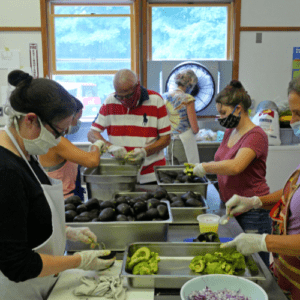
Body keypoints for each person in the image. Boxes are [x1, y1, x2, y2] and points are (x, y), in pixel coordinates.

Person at [0, 70, 115, 300]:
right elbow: (16, 264)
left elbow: (25, 221)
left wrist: (66, 231)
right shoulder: (6, 171)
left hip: (40, 285)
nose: (58, 139)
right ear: (31, 119)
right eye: (59, 132)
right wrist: (79, 261)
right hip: (17, 291)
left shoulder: (27, 153)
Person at [221, 75, 300, 300]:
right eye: (291, 113)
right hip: (287, 277)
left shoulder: (255, 135)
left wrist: (262, 241)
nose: (293, 121)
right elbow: (290, 195)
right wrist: (255, 201)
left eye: (299, 114)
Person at [193, 80, 271, 266]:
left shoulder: (256, 136)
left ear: (239, 109)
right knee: (236, 260)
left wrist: (205, 167)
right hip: (232, 206)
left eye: (223, 112)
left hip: (253, 210)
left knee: (255, 265)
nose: (220, 117)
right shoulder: (230, 131)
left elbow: (236, 166)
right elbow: (223, 160)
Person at [87, 69, 171, 184]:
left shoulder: (155, 100)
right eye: (120, 97)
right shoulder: (110, 101)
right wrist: (109, 146)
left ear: (137, 86)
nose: (124, 101)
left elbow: (166, 139)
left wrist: (145, 152)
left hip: (151, 174)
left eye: (129, 95)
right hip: (121, 173)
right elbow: (92, 133)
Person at [39, 99, 105, 200]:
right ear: (68, 117)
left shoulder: (53, 138)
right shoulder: (56, 141)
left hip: (65, 196)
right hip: (62, 200)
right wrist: (98, 144)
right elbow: (92, 161)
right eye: (78, 118)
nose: (78, 123)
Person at [162, 69, 200, 165]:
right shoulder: (187, 99)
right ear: (189, 85)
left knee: (172, 175)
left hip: (167, 142)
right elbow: (194, 128)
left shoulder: (164, 97)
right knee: (188, 173)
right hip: (183, 143)